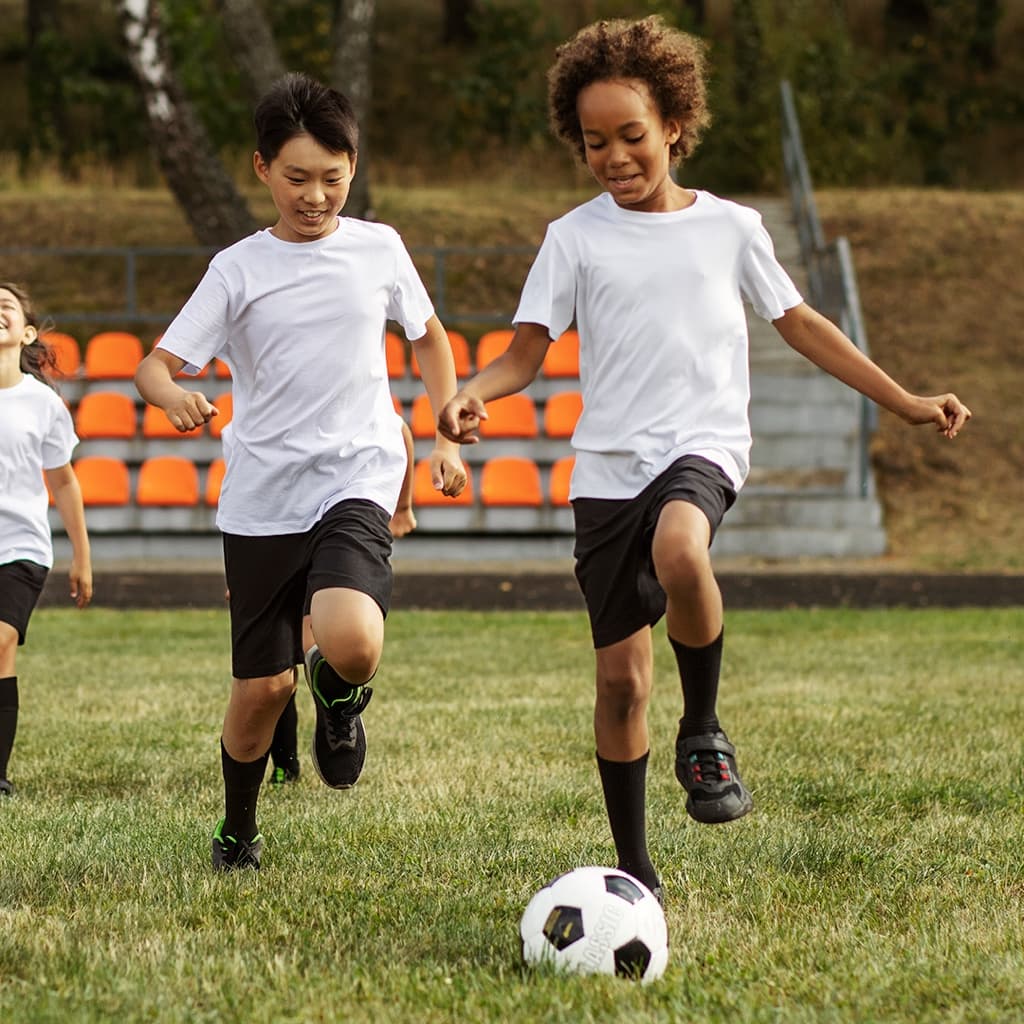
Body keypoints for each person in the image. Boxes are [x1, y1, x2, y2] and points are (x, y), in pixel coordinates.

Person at [439, 16, 971, 902]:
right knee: (618, 686)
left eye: (633, 136)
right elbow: (526, 352)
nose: (615, 156)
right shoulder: (573, 238)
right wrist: (473, 391)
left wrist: (906, 402)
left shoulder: (733, 229)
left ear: (675, 125)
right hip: (607, 471)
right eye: (595, 141)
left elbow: (802, 326)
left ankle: (707, 731)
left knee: (683, 548)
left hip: (702, 447)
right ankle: (634, 868)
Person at [135, 72, 466, 871]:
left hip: (356, 470)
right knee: (263, 689)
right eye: (296, 178)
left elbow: (428, 338)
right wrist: (174, 394)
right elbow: (153, 366)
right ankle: (238, 829)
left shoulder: (380, 247)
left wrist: (445, 423)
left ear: (353, 166)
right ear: (261, 169)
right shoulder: (236, 269)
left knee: (352, 643)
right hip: (261, 498)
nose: (315, 196)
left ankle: (343, 700)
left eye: (332, 176)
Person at [265, 419, 418, 790]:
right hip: (279, 521)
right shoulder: (267, 407)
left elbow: (398, 429)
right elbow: (246, 482)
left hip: (342, 519)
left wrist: (403, 505)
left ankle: (334, 699)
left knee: (312, 634)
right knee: (272, 664)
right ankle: (284, 764)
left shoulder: (352, 388)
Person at [0, 282, 93, 797]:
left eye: (6, 305)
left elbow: (63, 482)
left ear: (27, 331)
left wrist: (82, 556)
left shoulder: (44, 405)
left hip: (21, 547)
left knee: (0, 643)